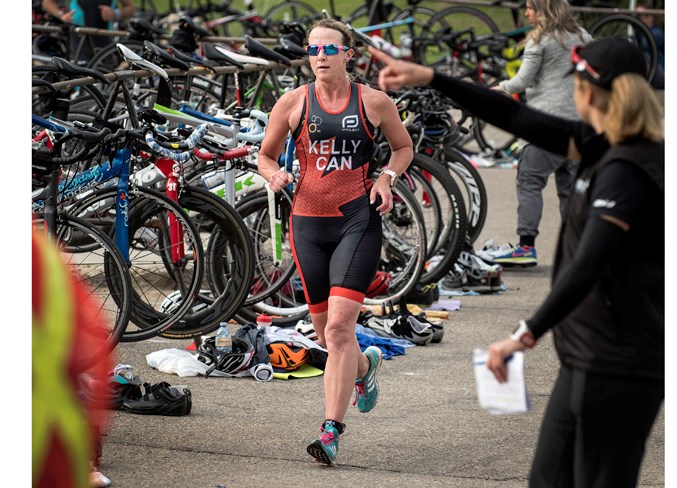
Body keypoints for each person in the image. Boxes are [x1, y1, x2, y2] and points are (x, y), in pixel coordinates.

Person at [370, 36, 664, 488]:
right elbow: (514, 115)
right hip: (584, 357)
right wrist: (430, 77)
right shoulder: (598, 143)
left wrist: (523, 336)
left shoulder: (631, 169)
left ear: (591, 93)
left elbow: (588, 265)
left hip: (620, 366)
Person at [258, 18, 413, 465]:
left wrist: (386, 178)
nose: (320, 56)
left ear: (348, 54)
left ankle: (330, 431)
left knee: (341, 328)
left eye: (329, 49)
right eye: (313, 50)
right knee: (327, 334)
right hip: (307, 224)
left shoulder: (373, 101)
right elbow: (265, 155)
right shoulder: (292, 102)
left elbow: (402, 148)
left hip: (356, 222)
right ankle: (364, 369)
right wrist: (275, 175)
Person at [490, 0, 591, 267]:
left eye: (530, 8)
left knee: (530, 181)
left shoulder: (540, 39)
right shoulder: (584, 37)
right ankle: (577, 249)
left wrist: (497, 89)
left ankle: (525, 247)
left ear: (544, 10)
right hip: (580, 126)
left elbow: (522, 81)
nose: (526, 13)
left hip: (546, 125)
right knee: (571, 189)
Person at [41, 0, 136, 63]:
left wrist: (115, 14)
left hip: (105, 43)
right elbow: (47, 2)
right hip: (78, 43)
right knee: (81, 82)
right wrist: (61, 15)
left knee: (105, 83)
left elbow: (131, 8)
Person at [637, 3, 665, 89]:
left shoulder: (657, 33)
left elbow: (644, 44)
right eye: (635, 15)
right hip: (653, 76)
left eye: (640, 15)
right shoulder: (639, 33)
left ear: (650, 17)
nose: (637, 18)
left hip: (661, 75)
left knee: (644, 56)